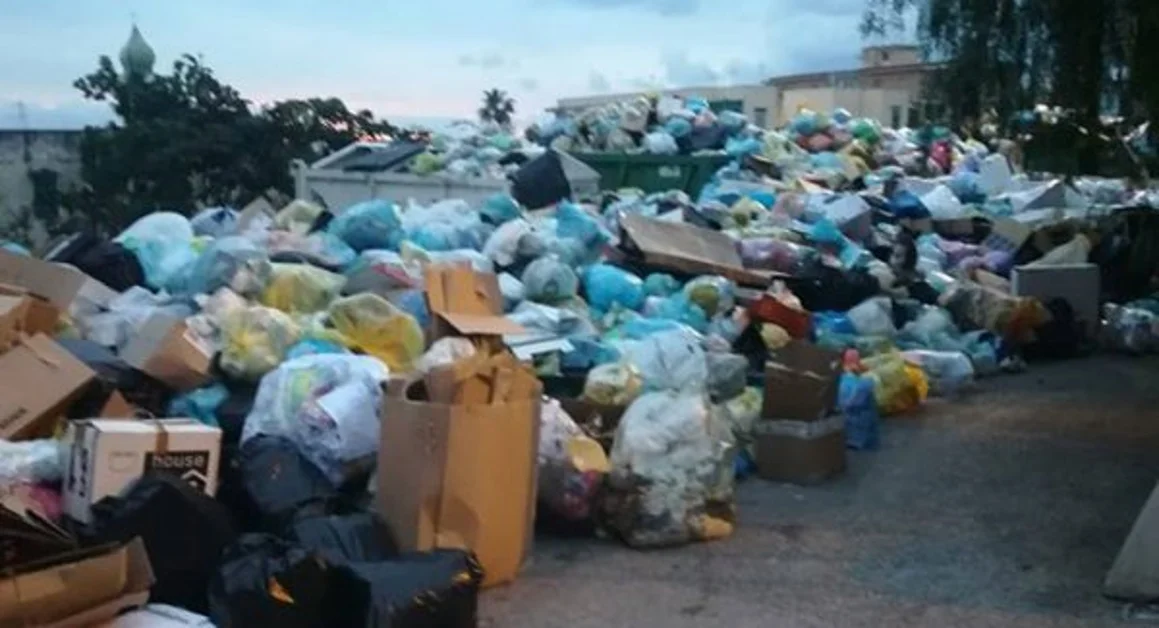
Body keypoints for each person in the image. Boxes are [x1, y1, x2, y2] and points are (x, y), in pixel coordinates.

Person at [888, 230, 939, 305]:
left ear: (909, 260)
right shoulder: (894, 280)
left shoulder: (921, 289)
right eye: (892, 255)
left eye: (897, 256)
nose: (892, 261)